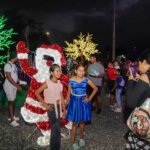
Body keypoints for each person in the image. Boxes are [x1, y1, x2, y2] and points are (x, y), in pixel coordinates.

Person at [66, 64, 98, 150]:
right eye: (79, 70)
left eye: (83, 70)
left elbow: (95, 88)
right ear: (76, 71)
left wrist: (89, 98)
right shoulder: (71, 80)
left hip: (83, 102)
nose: (81, 72)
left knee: (82, 122)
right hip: (75, 102)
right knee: (75, 123)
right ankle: (72, 142)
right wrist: (65, 103)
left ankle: (81, 138)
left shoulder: (86, 79)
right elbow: (68, 93)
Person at [35, 64, 66, 150]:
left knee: (57, 129)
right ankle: (54, 148)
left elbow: (62, 98)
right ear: (52, 73)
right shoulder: (47, 83)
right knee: (55, 129)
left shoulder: (60, 83)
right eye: (57, 71)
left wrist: (64, 110)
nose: (59, 72)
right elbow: (37, 92)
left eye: (60, 70)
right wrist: (45, 105)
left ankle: (56, 147)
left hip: (59, 107)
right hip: (52, 109)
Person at [125, 51, 150, 149]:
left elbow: (130, 102)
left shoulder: (146, 76)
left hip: (145, 125)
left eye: (139, 64)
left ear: (144, 62)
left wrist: (130, 80)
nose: (138, 67)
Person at [3, 52, 22, 127]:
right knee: (11, 102)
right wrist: (17, 86)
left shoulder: (14, 65)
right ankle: (12, 120)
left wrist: (20, 81)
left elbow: (14, 76)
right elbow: (8, 77)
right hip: (9, 85)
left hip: (13, 85)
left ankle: (10, 117)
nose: (18, 58)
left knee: (11, 101)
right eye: (17, 57)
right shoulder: (8, 65)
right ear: (14, 57)